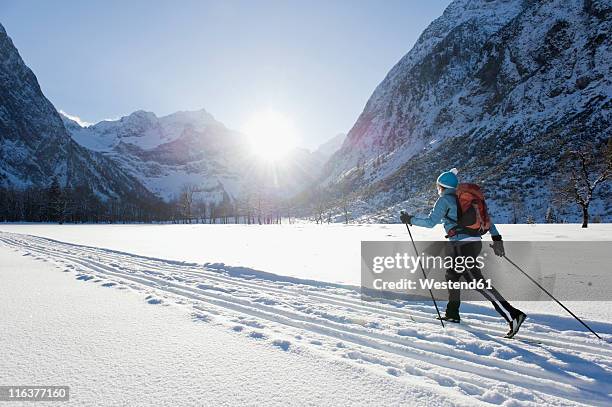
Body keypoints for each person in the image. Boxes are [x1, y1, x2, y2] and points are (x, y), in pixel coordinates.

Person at [400, 168, 527, 338]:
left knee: (476, 282)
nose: (437, 189)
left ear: (441, 186)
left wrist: (410, 220)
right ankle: (452, 313)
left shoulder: (445, 200)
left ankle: (513, 315)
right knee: (451, 276)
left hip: (461, 246)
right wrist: (497, 239)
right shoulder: (468, 200)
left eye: (438, 186)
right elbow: (487, 219)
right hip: (472, 244)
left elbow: (430, 222)